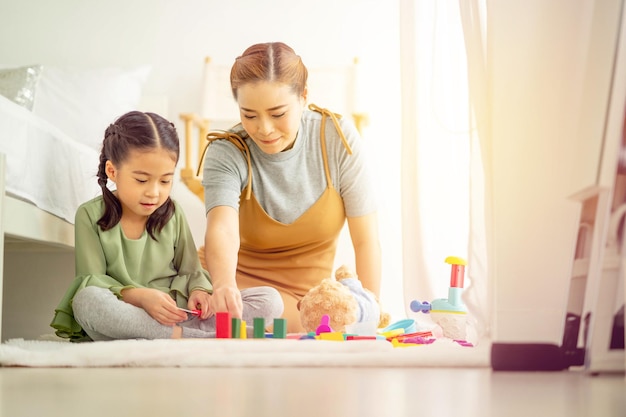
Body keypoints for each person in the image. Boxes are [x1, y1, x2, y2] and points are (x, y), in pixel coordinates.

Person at [50, 111, 283, 342]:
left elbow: (191, 270)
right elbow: (92, 279)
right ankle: (196, 336)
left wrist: (199, 292)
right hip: (129, 313)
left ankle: (179, 333)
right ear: (113, 171)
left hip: (179, 314)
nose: (154, 192)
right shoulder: (89, 215)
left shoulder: (173, 213)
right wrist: (141, 298)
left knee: (270, 299)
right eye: (141, 180)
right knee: (87, 300)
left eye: (165, 181)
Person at [201, 42, 381, 333]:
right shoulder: (227, 150)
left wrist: (372, 314)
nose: (264, 129)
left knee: (317, 318)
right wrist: (223, 286)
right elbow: (221, 228)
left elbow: (366, 240)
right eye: (249, 115)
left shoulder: (337, 138)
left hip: (305, 303)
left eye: (277, 113)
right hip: (233, 285)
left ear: (304, 96)